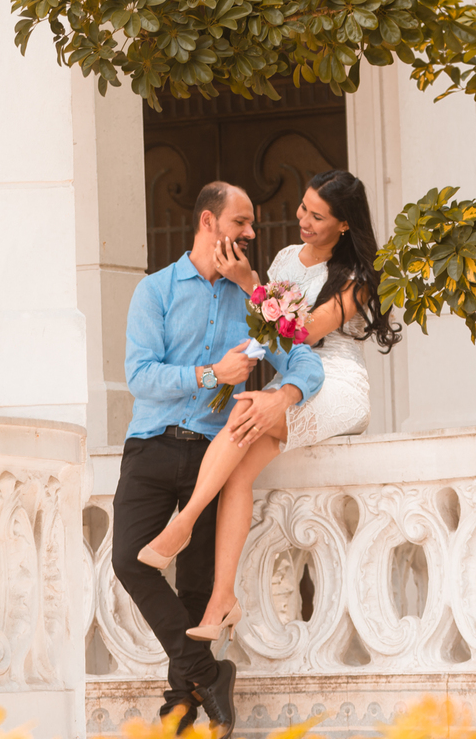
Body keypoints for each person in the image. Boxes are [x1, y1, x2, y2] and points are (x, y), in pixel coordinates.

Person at [140, 169, 402, 646]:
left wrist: (248, 282)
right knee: (239, 460)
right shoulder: (286, 258)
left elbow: (304, 333)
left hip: (338, 382)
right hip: (292, 374)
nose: (302, 220)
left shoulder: (358, 277)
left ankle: (183, 524)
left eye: (316, 216)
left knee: (248, 415)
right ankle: (222, 601)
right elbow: (268, 336)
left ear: (343, 225)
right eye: (302, 208)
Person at [113, 181, 324, 737]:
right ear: (209, 224)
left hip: (214, 455)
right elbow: (140, 377)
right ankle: (209, 672)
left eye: (251, 225)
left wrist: (282, 394)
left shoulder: (255, 303)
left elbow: (307, 364)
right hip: (151, 444)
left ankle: (180, 705)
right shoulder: (154, 291)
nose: (251, 233)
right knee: (129, 560)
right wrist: (213, 375)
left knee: (197, 588)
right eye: (241, 223)